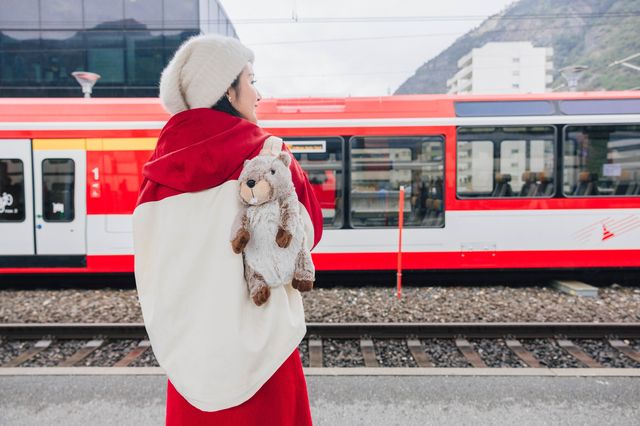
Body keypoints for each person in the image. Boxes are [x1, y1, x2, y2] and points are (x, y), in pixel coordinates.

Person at [133, 34, 323, 425]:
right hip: (265, 360)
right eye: (251, 80)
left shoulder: (156, 176)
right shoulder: (270, 156)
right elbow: (310, 232)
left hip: (191, 364)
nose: (258, 93)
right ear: (228, 92)